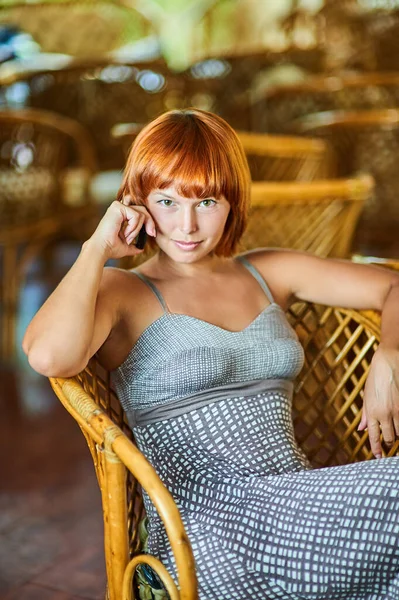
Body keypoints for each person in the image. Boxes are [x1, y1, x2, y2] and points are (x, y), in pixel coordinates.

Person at [23, 109, 399, 600]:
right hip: (202, 535)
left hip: (297, 509)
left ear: (231, 201)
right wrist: (97, 247)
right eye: (166, 201)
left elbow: (391, 284)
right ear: (137, 204)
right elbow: (50, 357)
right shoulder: (123, 292)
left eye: (206, 201)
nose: (187, 224)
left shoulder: (268, 271)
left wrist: (388, 356)